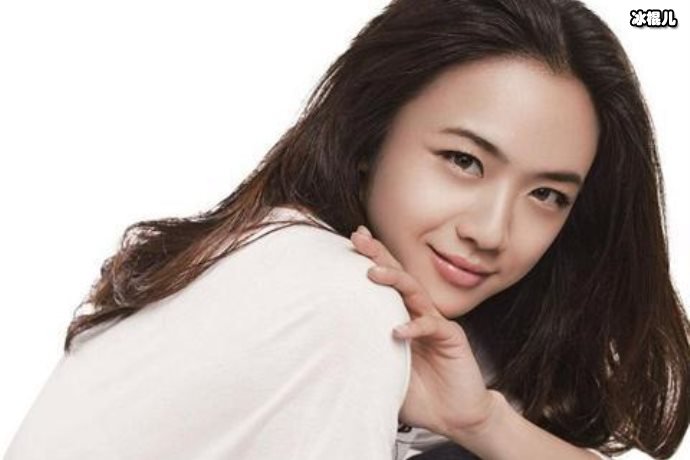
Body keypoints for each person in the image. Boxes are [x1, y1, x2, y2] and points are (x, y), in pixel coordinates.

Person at [4, 0, 689, 459]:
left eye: (546, 195)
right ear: (369, 137)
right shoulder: (343, 296)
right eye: (463, 160)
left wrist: (481, 421)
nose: (491, 230)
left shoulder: (426, 331)